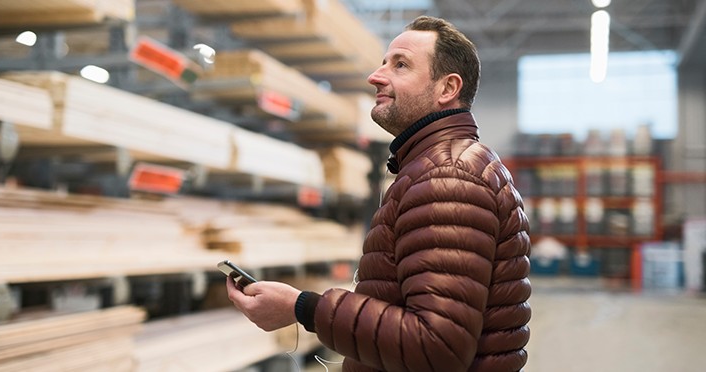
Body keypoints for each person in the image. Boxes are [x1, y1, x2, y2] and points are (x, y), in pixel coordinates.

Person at [226, 15, 531, 372]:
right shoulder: (437, 167)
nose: (376, 76)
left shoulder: (449, 178)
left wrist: (302, 307)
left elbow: (437, 348)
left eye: (400, 65)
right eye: (384, 62)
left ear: (447, 89)